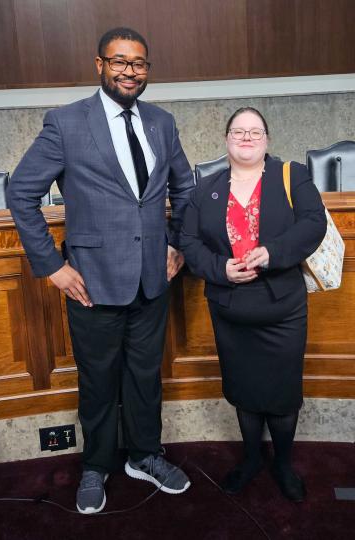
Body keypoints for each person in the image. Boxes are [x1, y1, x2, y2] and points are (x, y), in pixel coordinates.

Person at [7, 27, 194, 514]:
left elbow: (186, 191)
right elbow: (21, 193)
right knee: (97, 381)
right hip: (90, 282)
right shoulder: (67, 123)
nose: (130, 71)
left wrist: (176, 245)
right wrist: (52, 267)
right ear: (99, 65)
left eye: (139, 63)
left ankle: (146, 455)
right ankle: (96, 465)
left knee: (144, 377)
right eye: (120, 61)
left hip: (153, 279)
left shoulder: (162, 122)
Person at [180, 107, 327, 502]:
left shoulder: (291, 175)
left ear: (267, 139)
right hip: (230, 309)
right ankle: (249, 458)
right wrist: (219, 269)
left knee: (281, 395)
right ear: (226, 139)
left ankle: (282, 463)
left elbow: (314, 223)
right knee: (243, 391)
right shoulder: (204, 188)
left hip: (282, 308)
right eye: (238, 131)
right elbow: (189, 242)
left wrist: (272, 253)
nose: (246, 137)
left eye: (255, 131)